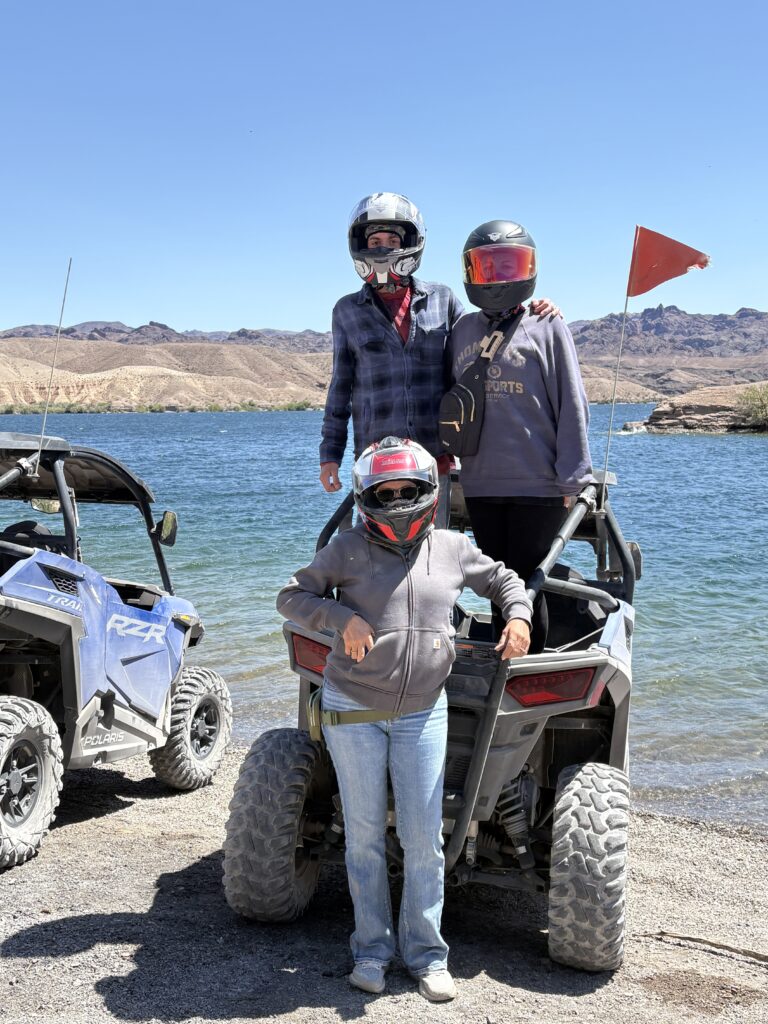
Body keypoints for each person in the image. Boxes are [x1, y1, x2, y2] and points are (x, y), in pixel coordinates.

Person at [277, 436, 532, 1002]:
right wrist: (340, 617)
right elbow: (292, 597)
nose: (396, 500)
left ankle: (427, 956)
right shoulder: (345, 548)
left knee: (424, 838)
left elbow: (505, 580)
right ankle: (371, 951)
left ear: (428, 491)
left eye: (407, 490)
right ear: (365, 495)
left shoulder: (451, 546)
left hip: (423, 712)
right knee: (364, 837)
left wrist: (518, 615)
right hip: (353, 709)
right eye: (384, 492)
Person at [319, 193, 558, 523]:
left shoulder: (442, 299)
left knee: (435, 560)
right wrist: (330, 455)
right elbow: (340, 389)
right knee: (375, 560)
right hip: (377, 462)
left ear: (412, 243)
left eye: (392, 239)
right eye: (375, 241)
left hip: (434, 459)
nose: (384, 248)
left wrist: (529, 310)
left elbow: (485, 335)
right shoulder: (346, 311)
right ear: (361, 245)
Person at [450, 220, 595, 652]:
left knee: (531, 584)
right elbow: (449, 400)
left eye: (508, 265)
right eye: (487, 267)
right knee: (499, 585)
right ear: (470, 273)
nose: (497, 277)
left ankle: (524, 682)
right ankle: (502, 671)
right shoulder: (461, 330)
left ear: (528, 269)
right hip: (481, 482)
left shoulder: (548, 326)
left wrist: (573, 477)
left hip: (539, 484)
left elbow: (572, 403)